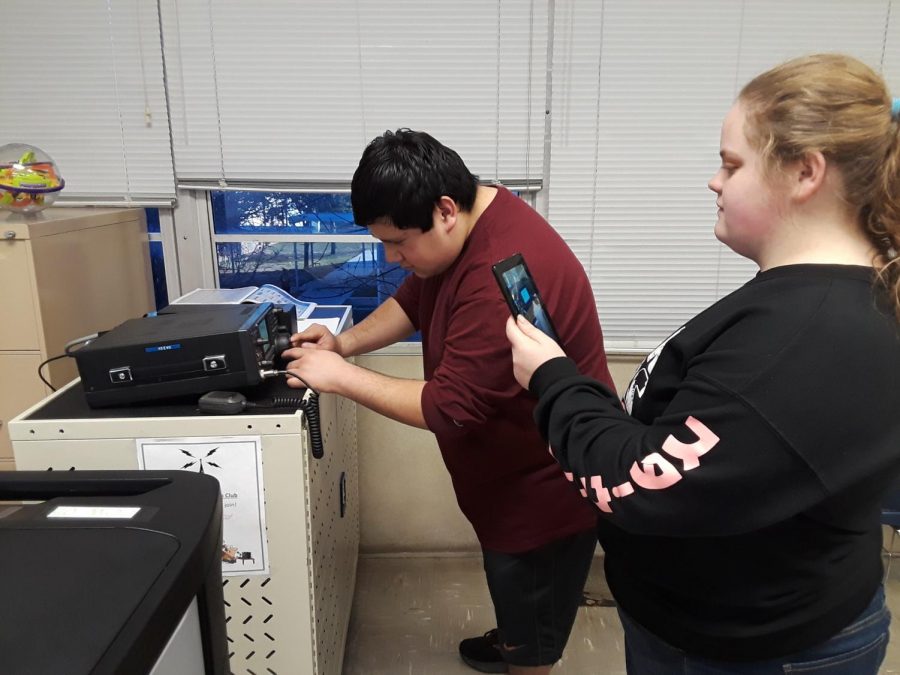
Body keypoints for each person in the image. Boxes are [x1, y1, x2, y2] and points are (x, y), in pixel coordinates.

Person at [506, 53, 900, 673]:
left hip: (755, 649)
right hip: (717, 619)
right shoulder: (813, 301)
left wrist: (551, 379)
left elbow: (632, 486)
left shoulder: (804, 337)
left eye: (731, 164)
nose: (715, 181)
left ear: (804, 172)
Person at [282, 129, 615, 674]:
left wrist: (338, 375)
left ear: (444, 210)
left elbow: (448, 409)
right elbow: (417, 297)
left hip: (543, 494)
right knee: (518, 595)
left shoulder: (498, 274)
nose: (392, 257)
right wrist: (345, 342)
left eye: (399, 242)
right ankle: (515, 634)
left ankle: (523, 652)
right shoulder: (477, 215)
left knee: (533, 613)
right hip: (508, 475)